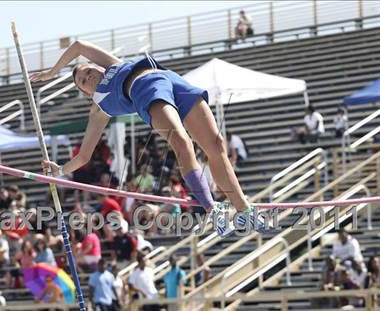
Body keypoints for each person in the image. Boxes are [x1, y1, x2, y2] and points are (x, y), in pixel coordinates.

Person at [32, 40, 268, 237]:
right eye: (83, 80)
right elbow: (84, 156)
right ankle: (211, 208)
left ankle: (243, 210)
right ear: (87, 94)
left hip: (170, 79)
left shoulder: (112, 66)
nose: (89, 75)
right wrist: (61, 170)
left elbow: (78, 46)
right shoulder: (99, 108)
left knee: (216, 146)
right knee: (182, 143)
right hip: (145, 91)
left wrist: (53, 72)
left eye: (89, 70)